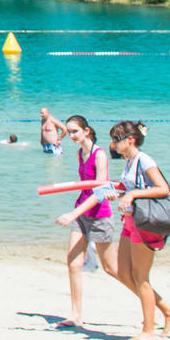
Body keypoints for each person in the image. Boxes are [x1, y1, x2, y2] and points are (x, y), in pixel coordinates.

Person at [106, 120, 170, 340]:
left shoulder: (144, 160)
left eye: (116, 139)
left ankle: (148, 330)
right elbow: (135, 189)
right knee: (123, 273)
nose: (113, 144)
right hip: (130, 220)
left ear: (130, 140)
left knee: (141, 278)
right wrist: (120, 195)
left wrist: (132, 195)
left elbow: (162, 189)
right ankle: (169, 312)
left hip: (145, 224)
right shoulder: (129, 161)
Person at [53, 115, 119, 328]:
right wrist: (77, 213)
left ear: (86, 131)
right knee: (73, 262)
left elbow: (100, 192)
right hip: (82, 213)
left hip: (100, 217)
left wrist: (72, 214)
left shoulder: (100, 155)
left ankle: (155, 304)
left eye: (75, 131)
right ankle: (75, 315)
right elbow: (85, 186)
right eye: (69, 132)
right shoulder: (80, 153)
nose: (71, 136)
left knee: (112, 269)